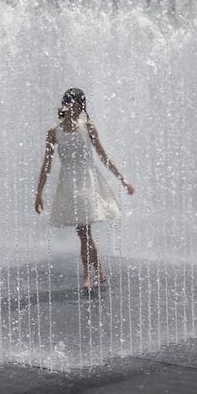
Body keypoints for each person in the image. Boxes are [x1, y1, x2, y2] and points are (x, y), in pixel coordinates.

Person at [34, 88, 134, 291]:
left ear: (82, 106)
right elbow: (47, 165)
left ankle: (88, 276)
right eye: (70, 103)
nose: (74, 107)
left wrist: (123, 181)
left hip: (89, 181)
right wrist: (38, 193)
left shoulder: (88, 128)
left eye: (78, 104)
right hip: (69, 183)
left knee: (84, 231)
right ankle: (100, 272)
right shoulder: (54, 133)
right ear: (64, 105)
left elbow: (103, 157)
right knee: (83, 232)